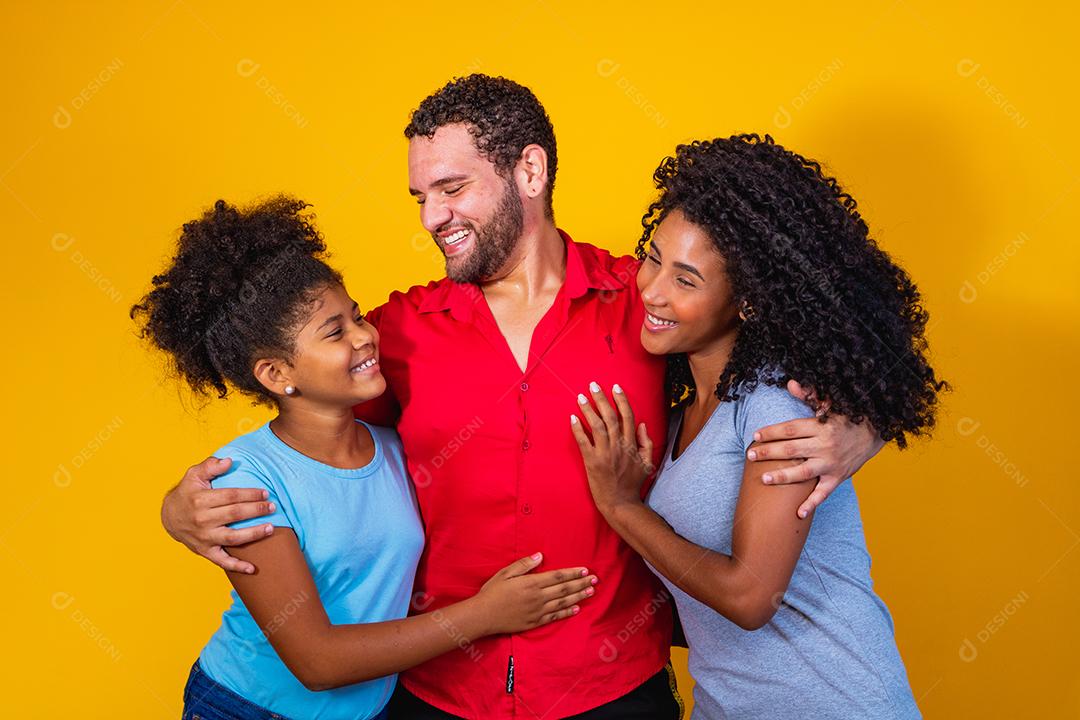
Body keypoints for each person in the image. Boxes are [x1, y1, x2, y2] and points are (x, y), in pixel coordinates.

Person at [159, 77, 886, 719]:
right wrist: (178, 506)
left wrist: (865, 426)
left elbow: (789, 352)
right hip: (438, 697)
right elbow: (302, 420)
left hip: (611, 692)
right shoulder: (397, 334)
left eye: (452, 188)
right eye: (419, 197)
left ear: (528, 170)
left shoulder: (646, 308)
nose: (431, 217)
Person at [132, 196, 598, 720]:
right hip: (248, 709)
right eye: (335, 332)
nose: (365, 335)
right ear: (276, 374)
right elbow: (318, 661)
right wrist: (484, 616)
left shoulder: (397, 450)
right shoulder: (246, 481)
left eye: (355, 316)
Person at [571, 135, 945, 719]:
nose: (652, 290)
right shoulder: (683, 416)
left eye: (686, 280)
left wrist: (622, 508)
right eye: (652, 257)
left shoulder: (774, 405)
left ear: (745, 302)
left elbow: (751, 598)